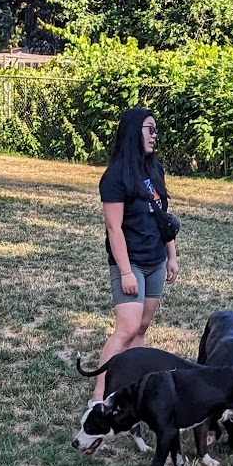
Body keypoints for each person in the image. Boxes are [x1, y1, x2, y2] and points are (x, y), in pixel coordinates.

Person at [91, 106, 177, 400]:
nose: (155, 135)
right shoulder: (115, 176)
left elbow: (163, 216)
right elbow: (114, 229)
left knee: (141, 328)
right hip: (131, 263)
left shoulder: (155, 168)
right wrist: (126, 271)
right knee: (126, 329)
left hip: (156, 260)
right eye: (149, 129)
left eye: (156, 130)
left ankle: (137, 392)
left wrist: (172, 256)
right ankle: (99, 396)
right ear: (133, 132)